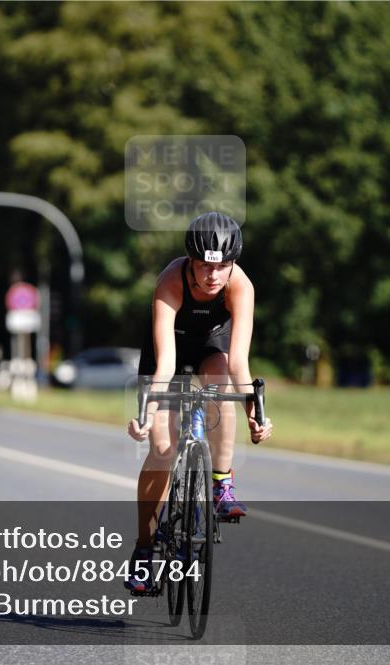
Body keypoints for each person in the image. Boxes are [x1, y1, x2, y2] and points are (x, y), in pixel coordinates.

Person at [124, 211, 273, 593]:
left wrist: (256, 415)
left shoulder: (241, 286)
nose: (213, 274)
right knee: (161, 447)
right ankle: (144, 550)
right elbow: (167, 363)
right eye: (206, 265)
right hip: (168, 350)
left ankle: (222, 482)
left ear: (232, 264)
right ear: (191, 261)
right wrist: (147, 413)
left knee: (220, 381)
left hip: (213, 345)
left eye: (222, 265)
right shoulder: (170, 281)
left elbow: (240, 361)